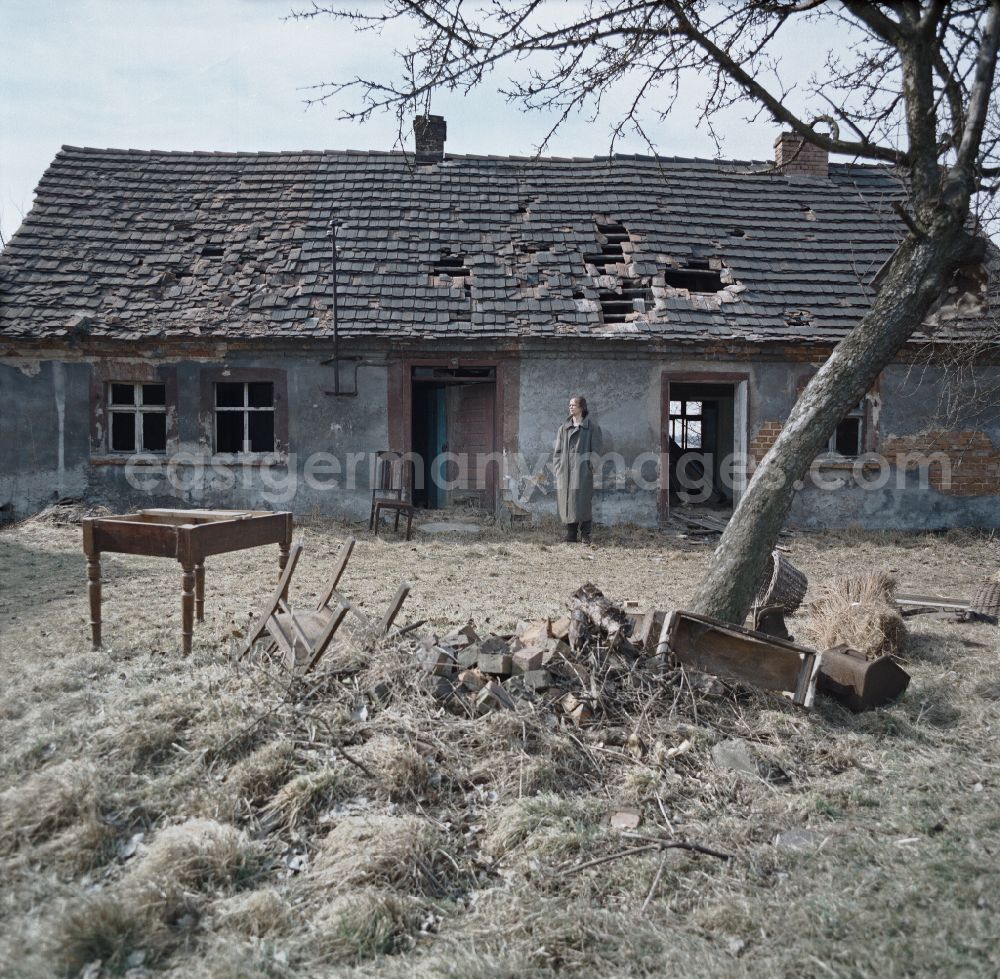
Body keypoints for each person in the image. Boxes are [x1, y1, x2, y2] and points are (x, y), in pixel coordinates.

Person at [552, 395, 602, 544]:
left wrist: (591, 467)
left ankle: (585, 534)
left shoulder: (592, 428)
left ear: (582, 407)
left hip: (583, 471)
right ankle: (571, 534)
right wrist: (558, 468)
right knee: (568, 501)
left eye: (573, 405)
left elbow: (596, 449)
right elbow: (557, 451)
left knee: (583, 501)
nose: (570, 407)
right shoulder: (564, 428)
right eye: (569, 405)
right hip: (565, 472)